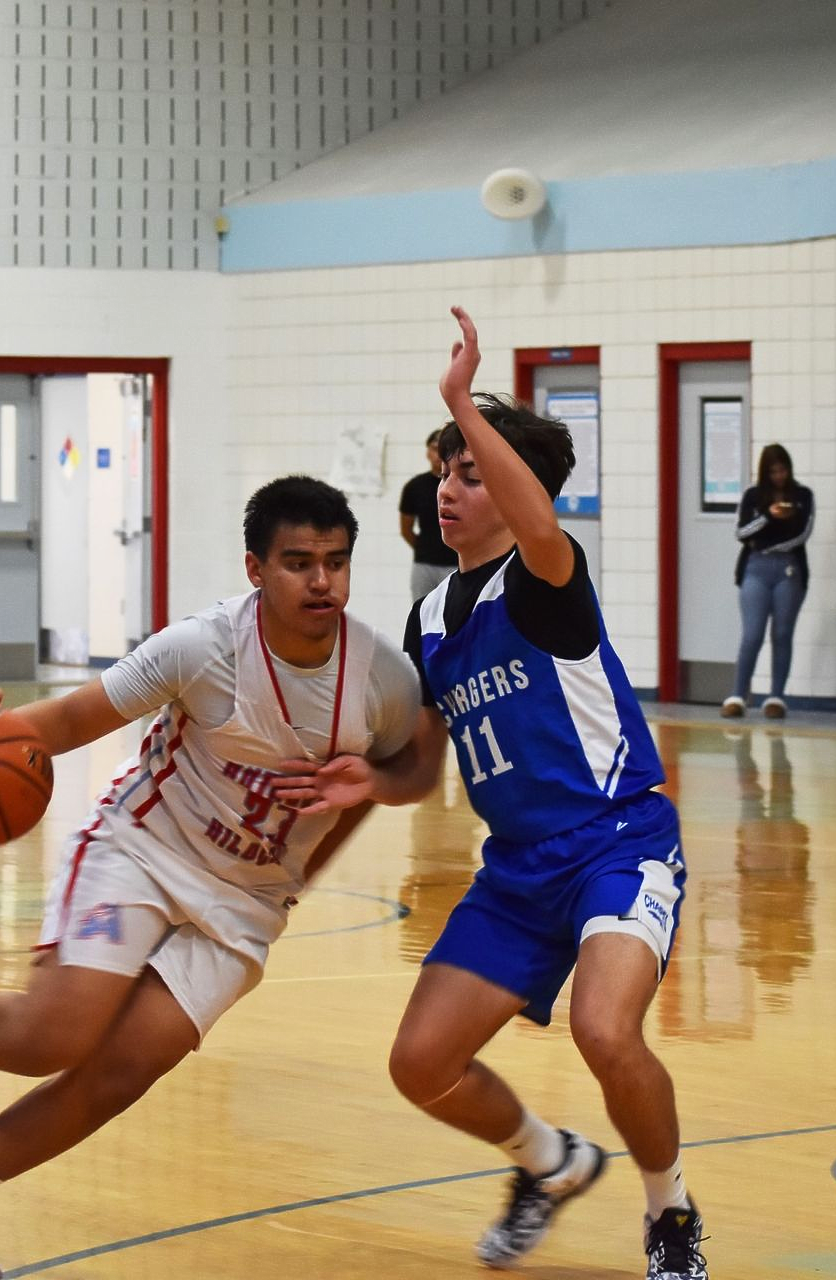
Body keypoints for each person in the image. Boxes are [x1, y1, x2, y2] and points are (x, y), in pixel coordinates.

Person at [0, 476, 425, 1280]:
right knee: (58, 1033)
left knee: (119, 1074)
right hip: (144, 849)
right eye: (298, 562)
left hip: (246, 901)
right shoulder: (202, 648)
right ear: (255, 568)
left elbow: (416, 765)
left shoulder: (380, 675)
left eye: (337, 562)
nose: (322, 582)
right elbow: (74, 720)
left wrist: (376, 788)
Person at [280, 307, 710, 1279]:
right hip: (516, 870)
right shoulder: (430, 614)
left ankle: (669, 1210)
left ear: (514, 487)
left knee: (607, 1028)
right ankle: (549, 1161)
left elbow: (540, 516)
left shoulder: (546, 573)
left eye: (469, 469)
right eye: (445, 469)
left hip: (616, 844)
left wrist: (462, 402)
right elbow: (426, 766)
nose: (450, 486)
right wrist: (370, 780)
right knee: (418, 1063)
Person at [726, 443, 814, 718]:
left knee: (782, 633)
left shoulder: (802, 496)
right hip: (756, 566)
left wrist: (771, 543)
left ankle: (776, 695)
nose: (779, 476)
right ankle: (739, 694)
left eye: (783, 470)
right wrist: (768, 517)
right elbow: (741, 533)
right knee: (752, 633)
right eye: (774, 471)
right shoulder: (754, 496)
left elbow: (803, 533)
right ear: (766, 472)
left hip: (788, 567)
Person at [401, 428, 460, 599]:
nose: (438, 454)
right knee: (421, 614)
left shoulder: (462, 483)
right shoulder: (414, 486)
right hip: (424, 564)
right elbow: (406, 529)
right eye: (435, 448)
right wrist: (425, 548)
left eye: (444, 448)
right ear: (427, 452)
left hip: (455, 562)